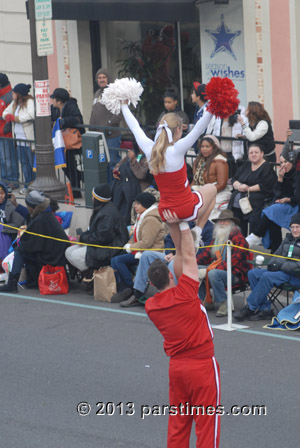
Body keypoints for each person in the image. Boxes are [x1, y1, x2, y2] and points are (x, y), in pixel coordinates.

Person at [145, 211, 220, 448]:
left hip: (177, 367)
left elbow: (183, 257)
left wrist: (178, 230)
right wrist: (184, 226)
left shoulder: (151, 306)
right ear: (170, 275)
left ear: (151, 284)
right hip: (201, 365)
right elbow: (187, 256)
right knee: (207, 424)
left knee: (178, 423)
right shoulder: (186, 292)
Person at [121, 101, 217, 250]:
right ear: (178, 129)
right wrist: (212, 108)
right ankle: (197, 231)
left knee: (178, 252)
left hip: (166, 210)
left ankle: (190, 237)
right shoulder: (178, 149)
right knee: (212, 188)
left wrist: (123, 105)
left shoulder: (149, 148)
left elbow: (135, 127)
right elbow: (199, 129)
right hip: (185, 207)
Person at [119, 219, 214, 308]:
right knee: (146, 255)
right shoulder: (188, 223)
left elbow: (205, 253)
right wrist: (170, 252)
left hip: (191, 261)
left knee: (173, 263)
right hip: (174, 254)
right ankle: (138, 293)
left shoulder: (209, 228)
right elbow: (169, 239)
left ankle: (173, 296)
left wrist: (179, 257)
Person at [233, 213, 300, 322]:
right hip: (282, 273)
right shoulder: (288, 239)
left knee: (267, 276)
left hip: (295, 276)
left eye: (297, 227)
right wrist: (275, 264)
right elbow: (275, 256)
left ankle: (250, 307)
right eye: (292, 227)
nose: (294, 230)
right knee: (253, 273)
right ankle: (265, 309)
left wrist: (281, 265)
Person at [0, 191, 70, 292]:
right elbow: (31, 218)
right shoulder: (46, 214)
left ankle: (12, 284)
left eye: (28, 206)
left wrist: (19, 245)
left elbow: (26, 242)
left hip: (50, 259)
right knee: (22, 248)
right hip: (57, 256)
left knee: (19, 250)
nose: (27, 208)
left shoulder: (41, 219)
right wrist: (16, 205)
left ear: (32, 207)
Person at [111, 192, 165, 301]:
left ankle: (130, 288)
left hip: (150, 252)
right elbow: (135, 236)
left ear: (145, 205)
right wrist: (128, 245)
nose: (135, 206)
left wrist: (130, 248)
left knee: (117, 261)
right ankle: (124, 288)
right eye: (135, 203)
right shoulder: (141, 216)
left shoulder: (151, 219)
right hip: (139, 250)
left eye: (138, 204)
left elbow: (146, 243)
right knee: (115, 258)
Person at [197, 210, 251, 317]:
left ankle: (223, 303)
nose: (221, 223)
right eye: (220, 221)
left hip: (235, 274)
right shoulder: (217, 237)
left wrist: (209, 270)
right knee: (195, 268)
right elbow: (206, 254)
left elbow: (234, 262)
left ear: (231, 222)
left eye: (225, 221)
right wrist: (191, 263)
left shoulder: (238, 238)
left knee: (213, 273)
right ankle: (206, 300)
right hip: (219, 268)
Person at [65, 184, 128, 273]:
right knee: (68, 251)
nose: (92, 198)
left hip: (110, 247)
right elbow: (93, 231)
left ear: (98, 199)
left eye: (93, 196)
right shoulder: (102, 209)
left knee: (75, 255)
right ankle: (89, 272)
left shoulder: (107, 214)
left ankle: (92, 273)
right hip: (101, 243)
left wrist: (83, 238)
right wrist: (83, 236)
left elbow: (102, 237)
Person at [246, 145, 297, 251]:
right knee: (272, 216)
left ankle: (256, 235)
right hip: (286, 205)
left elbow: (297, 197)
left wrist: (287, 199)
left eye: (286, 162)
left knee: (272, 211)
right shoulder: (286, 175)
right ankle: (275, 250)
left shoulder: (297, 174)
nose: (283, 165)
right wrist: (280, 179)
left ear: (293, 162)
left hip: (295, 205)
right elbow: (277, 194)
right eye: (281, 162)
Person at [228, 143, 277, 237]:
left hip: (258, 197)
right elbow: (234, 178)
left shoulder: (266, 167)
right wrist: (239, 186)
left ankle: (250, 239)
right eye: (251, 153)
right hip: (240, 196)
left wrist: (248, 188)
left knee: (253, 217)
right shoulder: (246, 164)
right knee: (235, 215)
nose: (253, 154)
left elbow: (266, 185)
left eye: (256, 152)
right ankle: (239, 239)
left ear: (262, 153)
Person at [50, 87, 85, 199]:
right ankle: (75, 187)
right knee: (64, 165)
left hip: (73, 143)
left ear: (59, 101)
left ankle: (76, 191)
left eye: (54, 99)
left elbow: (78, 119)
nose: (52, 101)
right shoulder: (54, 109)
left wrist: (63, 122)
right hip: (62, 142)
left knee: (73, 167)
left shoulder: (71, 106)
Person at [89, 68, 122, 182]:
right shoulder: (97, 93)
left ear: (108, 79)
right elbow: (94, 112)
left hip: (111, 135)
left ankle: (115, 190)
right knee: (103, 165)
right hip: (98, 136)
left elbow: (120, 112)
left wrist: (109, 123)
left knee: (113, 163)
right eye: (99, 78)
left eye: (104, 77)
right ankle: (107, 190)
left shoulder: (114, 92)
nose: (101, 80)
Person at [3, 83, 35, 194]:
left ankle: (35, 185)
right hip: (19, 139)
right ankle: (27, 185)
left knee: (32, 163)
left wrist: (16, 118)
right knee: (24, 163)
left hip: (28, 139)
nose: (12, 94)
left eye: (14, 93)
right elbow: (5, 112)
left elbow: (31, 115)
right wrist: (7, 116)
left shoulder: (30, 102)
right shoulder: (15, 103)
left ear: (19, 94)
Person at [110, 141, 151, 225]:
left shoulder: (148, 157)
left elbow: (140, 174)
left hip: (139, 187)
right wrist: (116, 172)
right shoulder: (133, 154)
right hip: (125, 186)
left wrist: (134, 160)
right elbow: (119, 165)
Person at [192, 135, 231, 219]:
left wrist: (205, 192)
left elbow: (222, 184)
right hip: (200, 192)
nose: (204, 149)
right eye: (202, 146)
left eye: (207, 146)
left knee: (208, 215)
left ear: (214, 147)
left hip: (218, 193)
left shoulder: (220, 162)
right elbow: (195, 181)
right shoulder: (198, 161)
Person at [206, 106, 247, 176]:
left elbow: (246, 132)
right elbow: (215, 134)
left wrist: (242, 136)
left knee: (233, 174)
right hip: (221, 152)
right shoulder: (219, 119)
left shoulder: (240, 119)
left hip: (234, 154)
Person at [0, 73, 19, 189]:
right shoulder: (5, 95)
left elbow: (8, 116)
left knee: (8, 159)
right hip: (2, 132)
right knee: (2, 159)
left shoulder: (9, 96)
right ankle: (4, 181)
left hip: (6, 134)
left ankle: (12, 181)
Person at [0, 181, 25, 262]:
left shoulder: (10, 206)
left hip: (8, 235)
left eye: (2, 193)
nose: (0, 196)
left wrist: (3, 227)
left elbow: (18, 224)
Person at [190, 82, 210, 153]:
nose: (191, 95)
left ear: (198, 97)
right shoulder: (198, 109)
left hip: (204, 145)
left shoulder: (207, 111)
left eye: (193, 93)